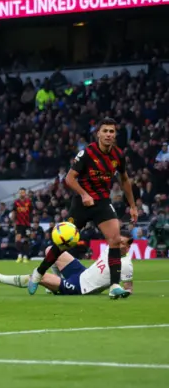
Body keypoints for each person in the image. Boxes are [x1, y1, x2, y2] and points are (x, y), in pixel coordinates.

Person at [28, 118, 137, 299]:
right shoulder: (87, 153)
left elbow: (124, 180)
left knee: (115, 240)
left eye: (112, 131)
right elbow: (69, 178)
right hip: (82, 203)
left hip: (102, 202)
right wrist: (84, 194)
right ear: (99, 134)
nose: (109, 134)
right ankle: (39, 272)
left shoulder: (118, 155)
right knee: (64, 242)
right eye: (105, 131)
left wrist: (132, 206)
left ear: (115, 134)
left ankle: (115, 285)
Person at [0, 232, 134, 296]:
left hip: (81, 287)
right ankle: (57, 285)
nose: (118, 243)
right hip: (82, 273)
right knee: (51, 250)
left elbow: (128, 288)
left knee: (39, 276)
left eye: (122, 243)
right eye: (118, 240)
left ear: (128, 247)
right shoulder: (110, 247)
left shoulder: (126, 264)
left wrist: (125, 293)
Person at [12, 188, 32, 263]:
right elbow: (14, 212)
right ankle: (19, 255)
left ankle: (25, 256)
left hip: (27, 224)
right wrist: (13, 222)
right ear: (19, 193)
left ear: (25, 193)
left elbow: (31, 212)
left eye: (23, 192)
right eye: (20, 192)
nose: (22, 193)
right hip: (19, 224)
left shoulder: (29, 202)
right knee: (18, 239)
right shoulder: (16, 202)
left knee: (26, 240)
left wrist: (31, 222)